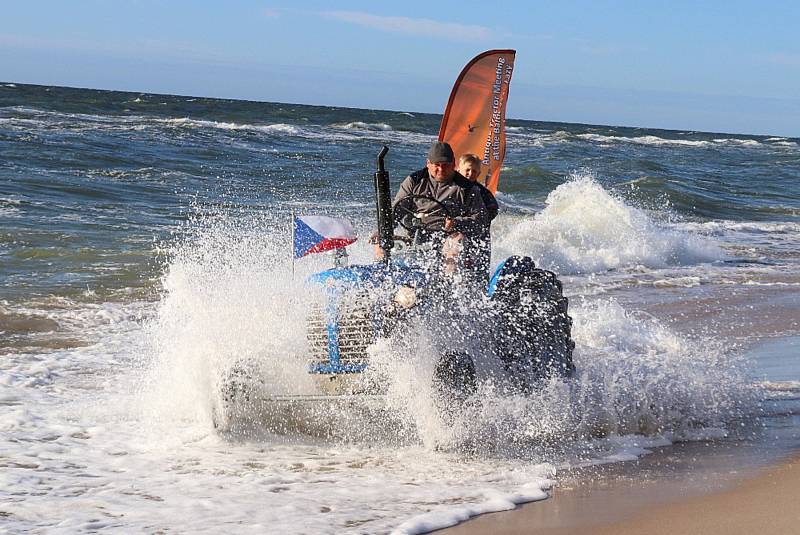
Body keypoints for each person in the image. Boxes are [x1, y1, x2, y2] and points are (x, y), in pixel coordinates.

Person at [392, 141, 486, 274]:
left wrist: (456, 223)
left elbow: (481, 220)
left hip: (447, 237)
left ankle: (446, 288)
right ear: (428, 164)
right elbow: (396, 210)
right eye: (437, 165)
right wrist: (384, 230)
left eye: (446, 165)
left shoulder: (467, 188)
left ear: (454, 164)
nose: (441, 169)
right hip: (414, 234)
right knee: (381, 241)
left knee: (456, 242)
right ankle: (380, 283)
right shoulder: (414, 180)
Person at [456, 154, 498, 280]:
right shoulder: (452, 188)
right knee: (458, 268)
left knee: (479, 270)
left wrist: (476, 219)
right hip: (459, 236)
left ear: (479, 173)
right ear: (459, 170)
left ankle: (483, 293)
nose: (470, 173)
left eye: (474, 171)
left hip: (479, 237)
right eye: (467, 170)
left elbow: (493, 209)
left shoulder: (482, 192)